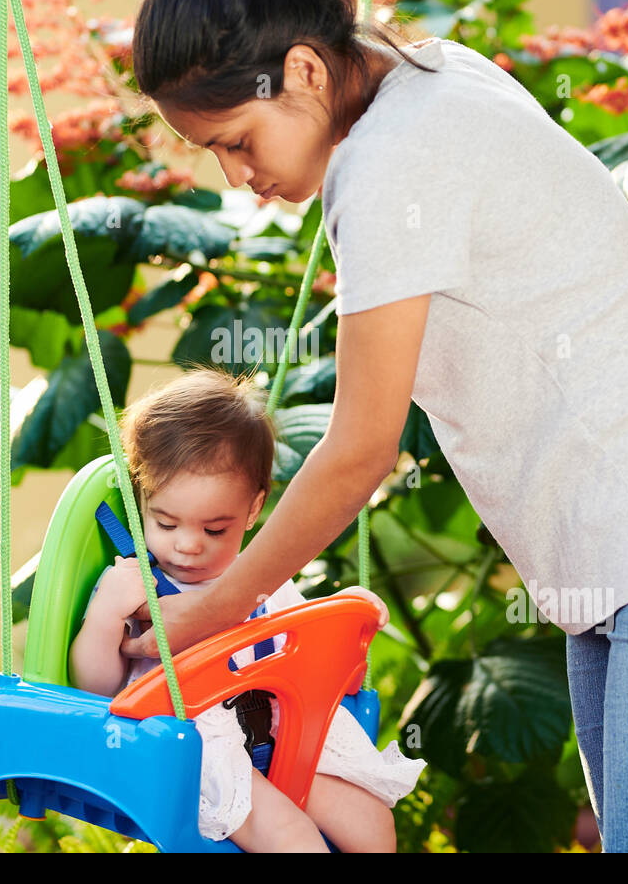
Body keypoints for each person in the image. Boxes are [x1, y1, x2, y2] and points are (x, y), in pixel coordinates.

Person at [119, 0, 628, 853]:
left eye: (234, 141)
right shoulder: (421, 69)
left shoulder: (393, 162)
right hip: (619, 548)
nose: (238, 177)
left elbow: (358, 449)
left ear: (306, 74)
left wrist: (215, 610)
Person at [69, 365, 427, 852]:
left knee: (372, 826)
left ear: (254, 508)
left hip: (283, 734)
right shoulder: (134, 584)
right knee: (294, 839)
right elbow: (98, 687)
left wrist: (345, 618)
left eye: (214, 529)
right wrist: (105, 617)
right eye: (166, 523)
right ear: (141, 499)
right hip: (199, 751)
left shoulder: (261, 577)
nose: (189, 546)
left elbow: (303, 642)